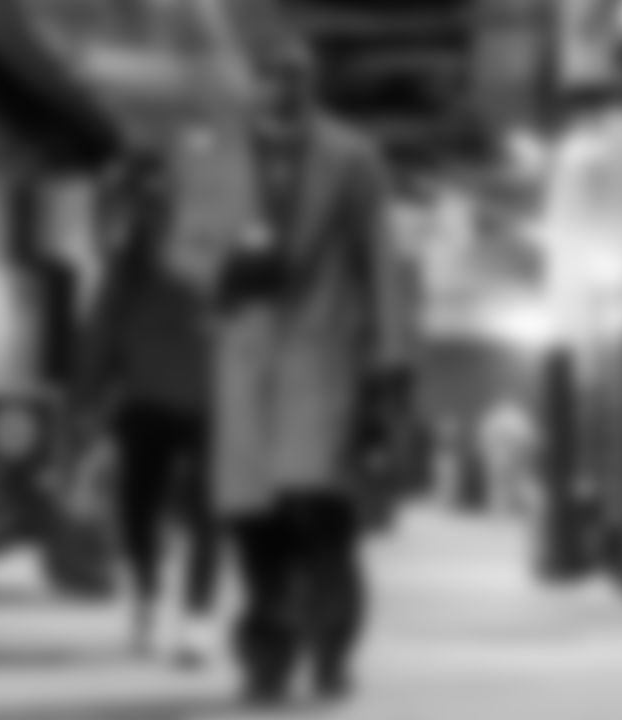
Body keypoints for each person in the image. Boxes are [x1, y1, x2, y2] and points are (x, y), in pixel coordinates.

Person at [211, 39, 411, 705]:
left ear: (312, 84)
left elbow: (381, 261)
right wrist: (223, 276)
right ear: (252, 85)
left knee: (326, 520)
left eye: (294, 77)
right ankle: (266, 659)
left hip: (323, 360)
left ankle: (331, 650)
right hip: (244, 369)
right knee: (254, 529)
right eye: (270, 77)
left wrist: (390, 361)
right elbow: (187, 246)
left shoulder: (353, 157)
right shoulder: (215, 156)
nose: (282, 89)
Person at [74, 148, 221, 666]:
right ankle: (147, 597)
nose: (156, 210)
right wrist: (88, 396)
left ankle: (197, 618)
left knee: (207, 513)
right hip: (146, 402)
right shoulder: (126, 266)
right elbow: (101, 331)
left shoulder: (210, 256)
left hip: (209, 405)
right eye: (148, 202)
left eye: (162, 200)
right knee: (139, 510)